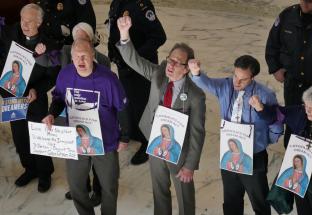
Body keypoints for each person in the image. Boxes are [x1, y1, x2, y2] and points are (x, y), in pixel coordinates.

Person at [116, 16, 206, 215]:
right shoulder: (159, 74)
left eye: (177, 62)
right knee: (159, 190)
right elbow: (135, 61)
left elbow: (198, 133)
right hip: (155, 143)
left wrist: (190, 166)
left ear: (186, 69)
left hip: (179, 152)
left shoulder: (196, 95)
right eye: (169, 59)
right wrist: (124, 34)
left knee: (184, 193)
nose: (170, 65)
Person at [42, 39, 129, 215]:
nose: (81, 61)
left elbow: (122, 109)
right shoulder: (65, 75)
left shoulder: (108, 80)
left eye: (84, 56)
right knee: (75, 186)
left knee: (109, 187)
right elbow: (58, 99)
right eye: (76, 57)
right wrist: (51, 113)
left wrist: (125, 136)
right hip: (75, 140)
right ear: (71, 58)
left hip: (106, 141)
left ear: (93, 56)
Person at [189, 55, 282, 215]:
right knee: (231, 200)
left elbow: (277, 125)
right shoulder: (226, 86)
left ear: (252, 78)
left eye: (243, 79)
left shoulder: (265, 95)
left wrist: (263, 142)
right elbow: (207, 83)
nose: (237, 83)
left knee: (259, 201)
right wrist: (196, 72)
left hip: (254, 156)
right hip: (229, 154)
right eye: (235, 76)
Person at [0, 3, 61, 192]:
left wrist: (38, 90)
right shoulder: (9, 35)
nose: (24, 25)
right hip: (13, 97)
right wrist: (5, 89)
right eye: (22, 20)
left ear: (40, 22)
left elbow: (52, 75)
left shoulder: (50, 44)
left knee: (38, 136)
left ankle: (44, 173)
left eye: (29, 22)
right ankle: (30, 169)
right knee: (19, 137)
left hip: (36, 98)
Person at [250, 83, 312, 215]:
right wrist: (260, 108)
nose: (307, 111)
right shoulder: (300, 113)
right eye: (306, 106)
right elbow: (277, 114)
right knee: (303, 210)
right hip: (299, 178)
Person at [108, 0, 166, 165]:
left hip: (140, 68)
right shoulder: (116, 3)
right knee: (130, 101)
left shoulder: (141, 5)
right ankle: (135, 132)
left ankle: (148, 142)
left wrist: (135, 59)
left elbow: (159, 36)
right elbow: (114, 29)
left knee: (143, 105)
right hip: (124, 65)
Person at [60, 22, 110, 204]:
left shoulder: (103, 60)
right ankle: (80, 188)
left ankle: (98, 190)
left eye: (84, 38)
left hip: (95, 116)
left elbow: (107, 88)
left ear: (91, 41)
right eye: (77, 38)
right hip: (73, 114)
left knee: (96, 153)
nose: (80, 41)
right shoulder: (66, 53)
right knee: (76, 156)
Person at [265, 0, 312, 147]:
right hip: (293, 83)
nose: (305, 4)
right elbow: (272, 44)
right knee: (292, 120)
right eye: (303, 0)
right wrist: (275, 68)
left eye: (310, 1)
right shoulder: (287, 16)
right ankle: (291, 156)